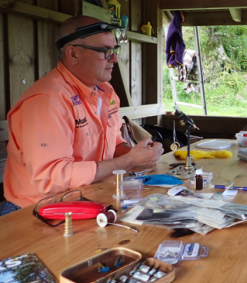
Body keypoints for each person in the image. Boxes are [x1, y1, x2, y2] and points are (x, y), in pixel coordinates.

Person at [3, 16, 163, 216]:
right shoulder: (47, 101)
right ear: (73, 54)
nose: (114, 59)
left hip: (87, 197)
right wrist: (129, 161)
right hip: (33, 211)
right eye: (105, 51)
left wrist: (139, 154)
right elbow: (52, 179)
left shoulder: (106, 92)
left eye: (114, 50)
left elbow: (113, 144)